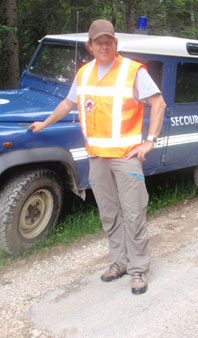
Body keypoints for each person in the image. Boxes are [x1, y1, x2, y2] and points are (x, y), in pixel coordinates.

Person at [28, 19, 166, 294]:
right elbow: (69, 103)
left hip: (126, 157)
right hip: (97, 158)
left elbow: (158, 103)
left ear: (115, 44)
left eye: (109, 41)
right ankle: (121, 262)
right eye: (99, 42)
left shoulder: (133, 71)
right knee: (109, 214)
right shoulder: (84, 74)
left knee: (133, 212)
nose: (105, 46)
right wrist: (45, 123)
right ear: (90, 47)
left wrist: (149, 141)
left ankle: (138, 270)